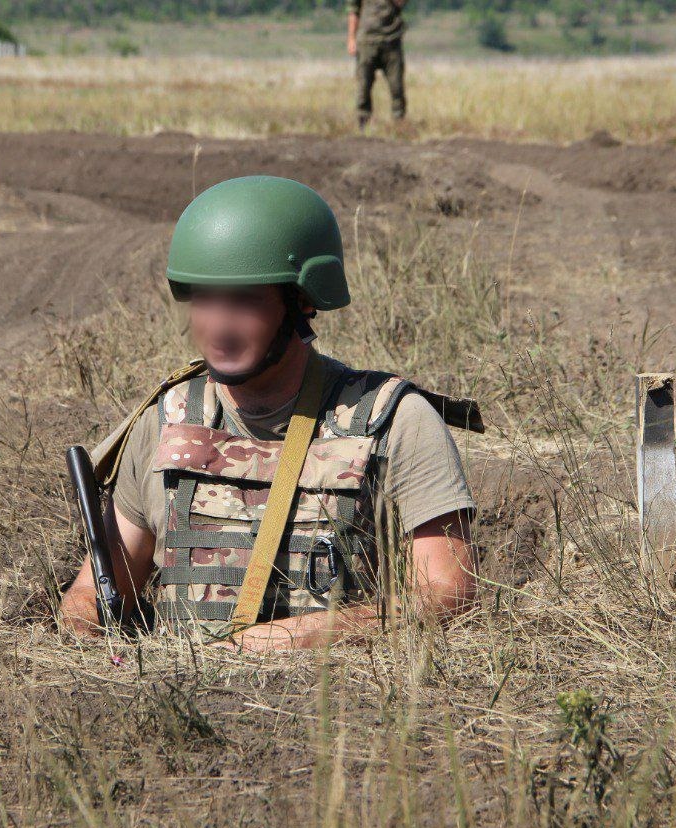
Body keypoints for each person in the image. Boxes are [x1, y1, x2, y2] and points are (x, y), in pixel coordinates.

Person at [60, 176, 476, 653]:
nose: (219, 325)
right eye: (205, 298)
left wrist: (304, 636)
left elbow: (447, 594)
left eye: (245, 301)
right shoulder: (165, 422)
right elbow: (96, 592)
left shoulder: (393, 421)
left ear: (302, 302)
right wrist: (88, 639)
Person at [347, 0, 407, 129]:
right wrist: (351, 38)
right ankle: (363, 124)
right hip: (367, 41)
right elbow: (353, 10)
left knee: (397, 87)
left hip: (391, 40)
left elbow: (401, 3)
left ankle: (399, 123)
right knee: (363, 86)